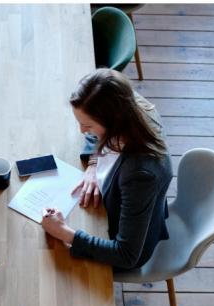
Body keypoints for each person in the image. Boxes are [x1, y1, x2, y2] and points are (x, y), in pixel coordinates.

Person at [41, 69, 172, 270]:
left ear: (113, 122)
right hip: (114, 205)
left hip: (124, 243)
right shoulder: (128, 104)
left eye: (87, 125)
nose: (82, 131)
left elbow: (126, 255)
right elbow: (96, 136)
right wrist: (94, 164)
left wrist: (64, 233)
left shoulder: (140, 175)